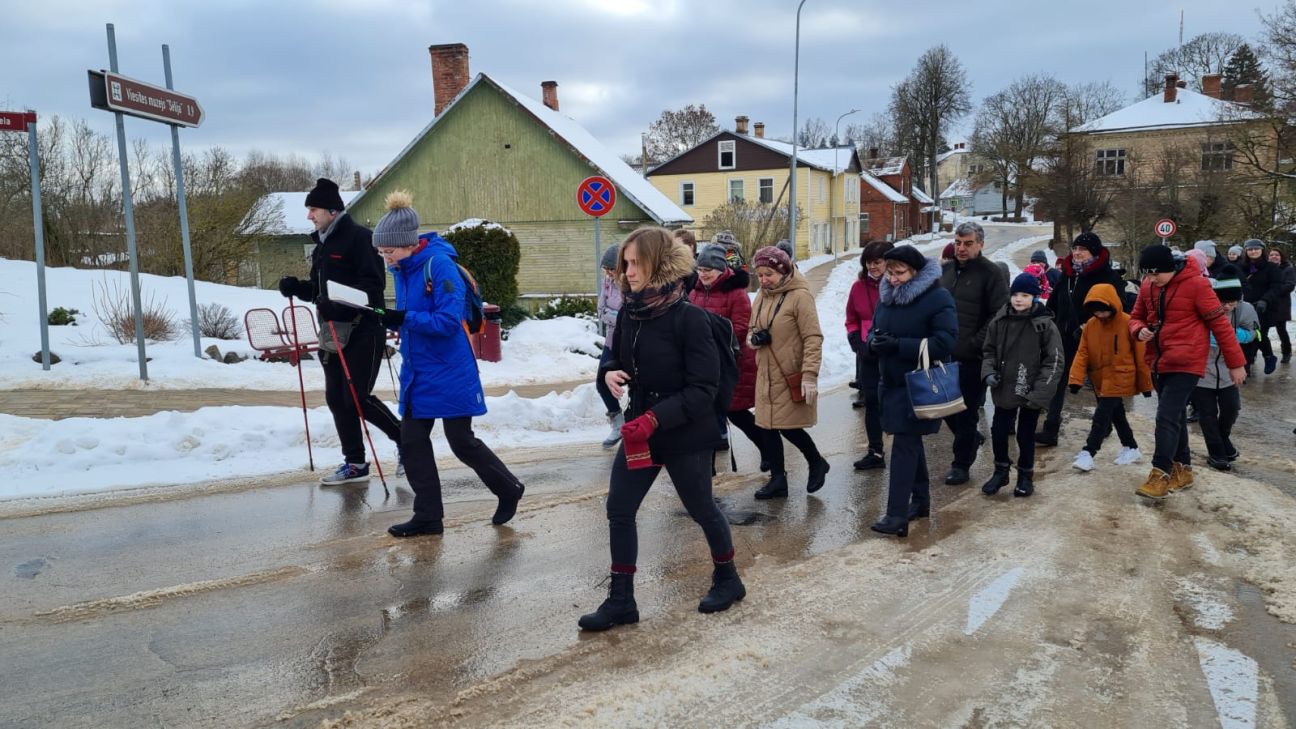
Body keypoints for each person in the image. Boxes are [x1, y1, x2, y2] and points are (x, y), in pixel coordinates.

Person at [579, 227, 745, 631]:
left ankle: (728, 578)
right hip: (642, 430)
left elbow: (704, 390)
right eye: (625, 264)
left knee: (701, 508)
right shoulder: (631, 314)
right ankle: (622, 600)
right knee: (619, 509)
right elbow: (612, 359)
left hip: (684, 432)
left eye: (636, 263)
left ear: (658, 264)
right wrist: (610, 373)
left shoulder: (690, 319)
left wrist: (655, 418)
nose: (628, 271)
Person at [365, 192, 525, 537]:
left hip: (450, 369)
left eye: (389, 251)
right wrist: (377, 316)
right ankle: (428, 517)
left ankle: (509, 488)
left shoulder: (439, 265)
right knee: (412, 440)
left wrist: (401, 317)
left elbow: (448, 321)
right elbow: (406, 318)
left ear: (408, 244)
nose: (386, 259)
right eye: (382, 253)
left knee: (461, 441)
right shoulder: (402, 269)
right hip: (418, 370)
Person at [277, 178, 403, 485]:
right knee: (336, 398)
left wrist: (341, 305)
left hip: (363, 329)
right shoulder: (322, 244)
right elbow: (321, 292)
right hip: (332, 332)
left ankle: (407, 442)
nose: (310, 216)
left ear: (333, 211)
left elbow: (373, 287)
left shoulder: (360, 238)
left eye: (314, 209)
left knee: (356, 398)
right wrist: (297, 288)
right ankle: (355, 463)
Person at [1129, 245, 1246, 500]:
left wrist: (1236, 363)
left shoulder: (1198, 285)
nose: (1150, 279)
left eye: (1155, 274)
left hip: (1188, 361)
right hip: (1158, 360)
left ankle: (1161, 473)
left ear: (1170, 269)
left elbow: (1220, 325)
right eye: (1147, 274)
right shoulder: (1148, 287)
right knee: (1176, 417)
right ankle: (1184, 470)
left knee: (1166, 416)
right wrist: (1139, 330)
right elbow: (1135, 317)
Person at [865, 245, 957, 536]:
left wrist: (900, 345)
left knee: (904, 445)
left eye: (899, 273)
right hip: (890, 382)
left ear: (916, 272)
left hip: (919, 383)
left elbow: (945, 342)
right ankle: (920, 501)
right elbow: (873, 330)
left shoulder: (937, 298)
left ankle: (896, 514)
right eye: (890, 273)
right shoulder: (887, 297)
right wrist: (873, 343)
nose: (892, 279)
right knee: (910, 443)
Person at [748, 245, 829, 499]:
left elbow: (813, 337)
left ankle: (816, 461)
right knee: (767, 426)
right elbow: (752, 327)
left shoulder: (800, 296)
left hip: (789, 373)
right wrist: (754, 338)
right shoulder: (762, 295)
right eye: (760, 275)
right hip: (766, 373)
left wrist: (809, 375)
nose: (763, 280)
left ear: (783, 271)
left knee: (789, 426)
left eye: (768, 274)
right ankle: (778, 480)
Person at [978, 273, 1064, 497]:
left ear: (1035, 298)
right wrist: (988, 372)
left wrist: (1040, 393)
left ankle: (1025, 475)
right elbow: (988, 351)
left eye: (1024, 295)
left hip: (1030, 388)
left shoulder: (1044, 325)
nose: (1018, 299)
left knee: (1025, 434)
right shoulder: (1000, 321)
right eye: (1015, 294)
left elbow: (1054, 361)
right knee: (998, 431)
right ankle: (1001, 470)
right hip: (1005, 386)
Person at [1038, 231, 1125, 447]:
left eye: (1082, 250)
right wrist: (1048, 321)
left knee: (1099, 383)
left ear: (1093, 253)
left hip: (1094, 338)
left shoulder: (1107, 276)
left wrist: (1093, 325)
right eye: (1075, 249)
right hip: (1064, 337)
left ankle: (1105, 424)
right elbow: (1054, 303)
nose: (1076, 253)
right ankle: (1051, 429)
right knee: (1058, 381)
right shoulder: (1067, 275)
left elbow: (1119, 307)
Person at [939, 221, 1009, 485]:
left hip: (973, 356)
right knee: (943, 408)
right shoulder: (945, 272)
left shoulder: (991, 273)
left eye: (968, 243)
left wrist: (974, 344)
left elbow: (999, 313)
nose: (961, 248)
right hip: (943, 353)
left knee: (966, 412)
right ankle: (970, 440)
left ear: (980, 244)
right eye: (958, 243)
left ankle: (961, 464)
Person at [692, 244, 768, 469]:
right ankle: (707, 473)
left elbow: (741, 327)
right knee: (707, 419)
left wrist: (709, 340)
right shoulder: (694, 292)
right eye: (700, 269)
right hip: (704, 366)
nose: (703, 274)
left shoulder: (736, 293)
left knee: (737, 413)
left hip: (731, 363)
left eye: (708, 270)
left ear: (720, 269)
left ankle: (768, 450)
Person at [1067, 283, 1151, 472]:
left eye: (1104, 311)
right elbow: (1083, 353)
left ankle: (1089, 452)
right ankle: (1131, 447)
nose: (1100, 315)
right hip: (1099, 378)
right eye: (1096, 311)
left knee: (1101, 416)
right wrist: (1075, 379)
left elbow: (1141, 356)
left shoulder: (1128, 323)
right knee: (1116, 414)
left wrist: (1145, 384)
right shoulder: (1090, 325)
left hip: (1121, 376)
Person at [1193, 267, 1259, 471]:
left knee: (1232, 409)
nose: (1229, 306)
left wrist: (1234, 335)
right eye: (1224, 302)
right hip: (1202, 370)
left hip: (1230, 370)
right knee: (1207, 413)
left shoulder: (1245, 309)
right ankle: (1216, 452)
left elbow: (1256, 333)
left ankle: (1223, 439)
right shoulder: (1203, 306)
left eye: (1233, 302)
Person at [846, 240, 892, 470]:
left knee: (898, 403)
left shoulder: (898, 284)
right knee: (872, 402)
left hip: (895, 353)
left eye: (877, 262)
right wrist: (856, 342)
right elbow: (851, 318)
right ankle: (875, 451)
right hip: (868, 353)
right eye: (868, 262)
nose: (872, 267)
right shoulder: (858, 287)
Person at [1239, 238, 1285, 374]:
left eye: (1256, 249)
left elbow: (1276, 286)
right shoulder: (1241, 267)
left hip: (1263, 307)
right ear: (1246, 251)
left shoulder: (1271, 267)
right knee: (1245, 337)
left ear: (1262, 250)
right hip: (1244, 307)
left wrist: (1265, 300)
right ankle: (1245, 367)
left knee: (1258, 334)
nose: (1253, 251)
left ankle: (1268, 356)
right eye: (1250, 249)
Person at [596, 245, 625, 448]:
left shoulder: (630, 283)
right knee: (601, 382)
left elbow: (627, 315)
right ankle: (618, 423)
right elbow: (601, 309)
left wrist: (613, 316)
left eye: (611, 268)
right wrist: (615, 316)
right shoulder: (608, 283)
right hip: (610, 341)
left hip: (627, 343)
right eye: (605, 268)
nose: (608, 273)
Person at [1263, 248, 1294, 363]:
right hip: (1266, 304)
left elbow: (1290, 285)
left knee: (1281, 330)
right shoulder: (1265, 268)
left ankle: (1286, 352)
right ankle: (1260, 354)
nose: (1274, 257)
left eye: (1277, 255)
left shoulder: (1287, 269)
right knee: (1262, 331)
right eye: (1271, 255)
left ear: (1281, 257)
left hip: (1281, 305)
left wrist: (1274, 290)